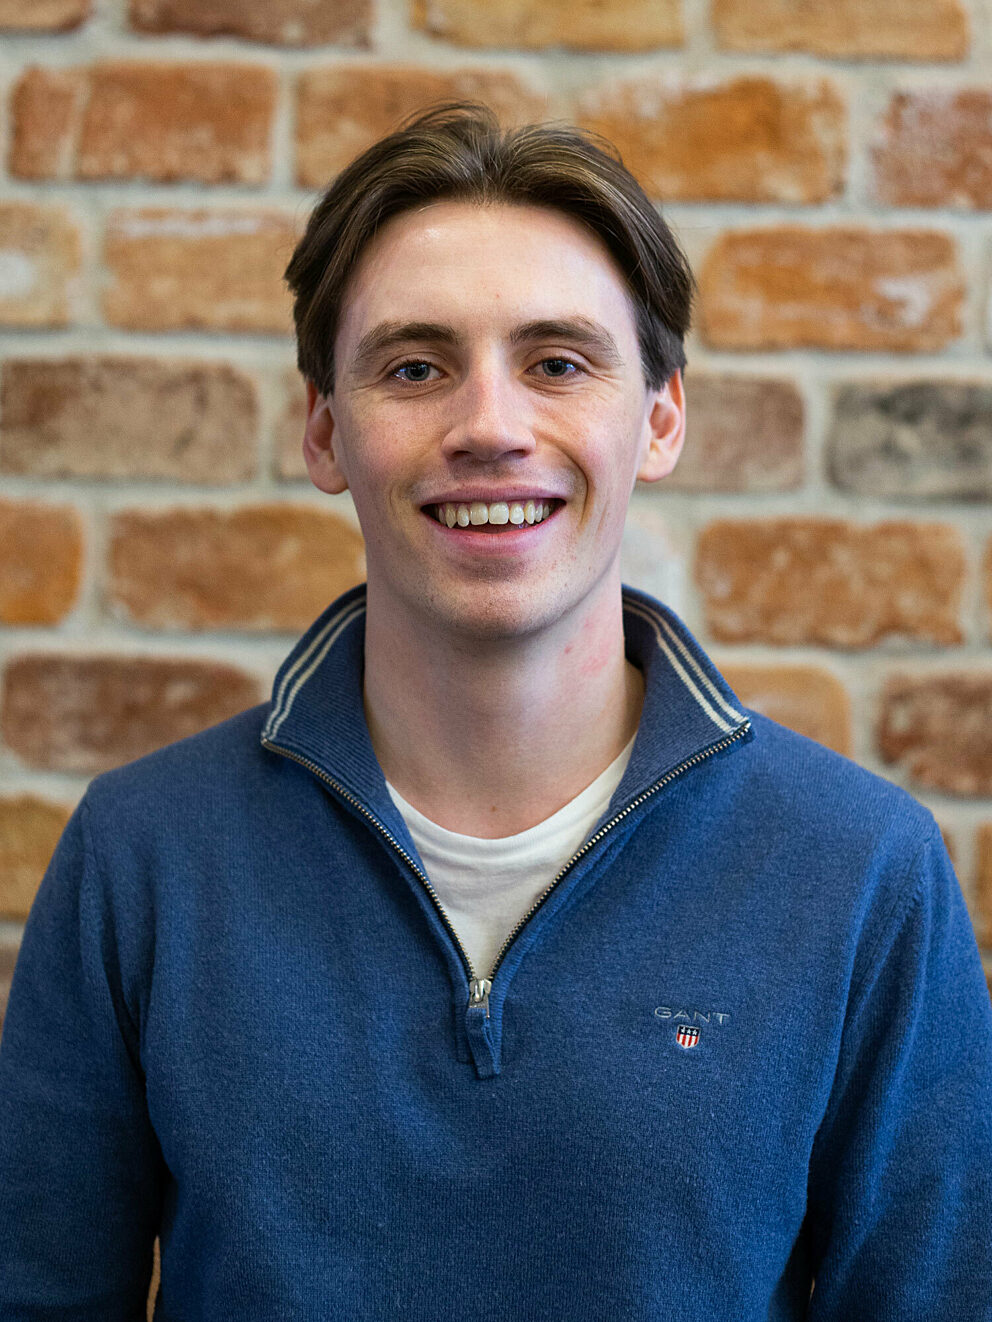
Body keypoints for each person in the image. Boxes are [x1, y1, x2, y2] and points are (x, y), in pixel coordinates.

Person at [1, 103, 990, 1322]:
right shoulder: (140, 856)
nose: (489, 427)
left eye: (557, 363)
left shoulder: (860, 872)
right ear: (324, 428)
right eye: (414, 368)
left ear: (660, 416)